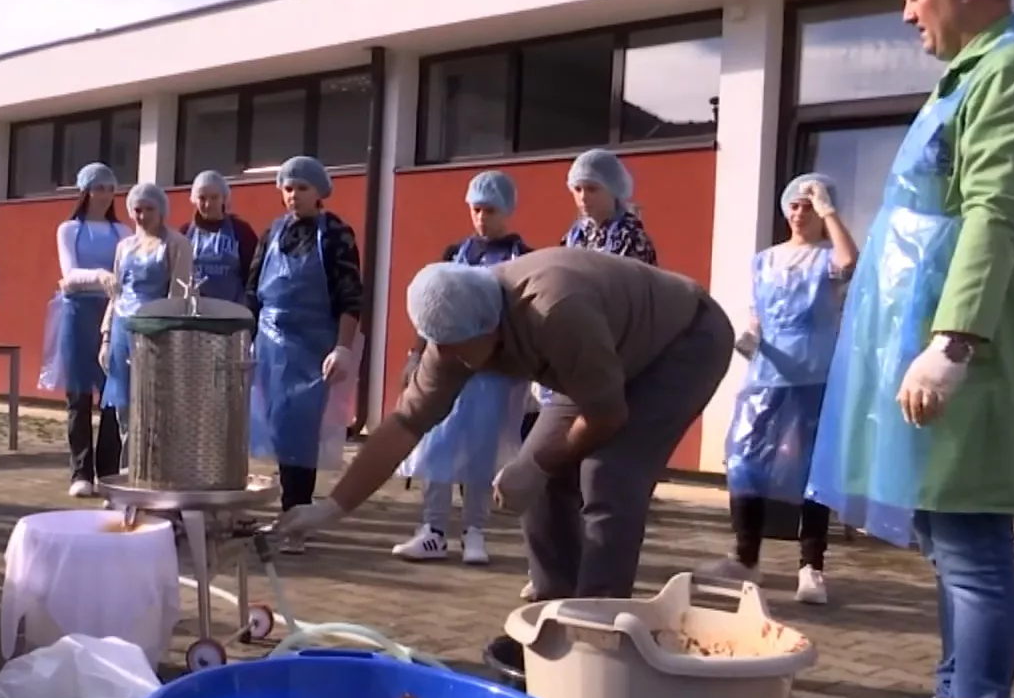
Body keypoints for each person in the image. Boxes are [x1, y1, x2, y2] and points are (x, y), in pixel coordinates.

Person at [808, 0, 1014, 698]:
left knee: (971, 543)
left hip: (967, 341)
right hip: (922, 329)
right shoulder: (967, 75)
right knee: (944, 537)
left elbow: (994, 210)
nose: (905, 13)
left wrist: (953, 341)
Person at [276, 247, 733, 601]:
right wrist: (331, 508)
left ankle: (600, 624)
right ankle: (554, 607)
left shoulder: (554, 312)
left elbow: (607, 416)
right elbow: (404, 424)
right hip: (600, 355)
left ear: (490, 325)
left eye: (457, 346)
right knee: (542, 476)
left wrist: (540, 464)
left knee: (606, 474)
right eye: (440, 346)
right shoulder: (453, 332)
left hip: (682, 341)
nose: (448, 358)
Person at [704, 174, 859, 606]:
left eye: (809, 206)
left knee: (812, 470)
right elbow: (759, 309)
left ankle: (811, 568)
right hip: (766, 374)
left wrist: (829, 211)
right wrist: (750, 334)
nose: (799, 213)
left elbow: (849, 261)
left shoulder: (827, 258)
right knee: (744, 460)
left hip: (814, 374)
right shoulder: (765, 260)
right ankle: (745, 557)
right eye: (795, 205)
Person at [516, 147, 659, 596]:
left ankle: (596, 587)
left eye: (591, 188)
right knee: (546, 469)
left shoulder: (632, 239)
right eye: (576, 188)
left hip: (614, 365)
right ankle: (552, 575)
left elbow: (629, 307)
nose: (582, 197)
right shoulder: (573, 236)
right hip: (568, 367)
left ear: (613, 190)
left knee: (598, 477)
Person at [393, 170, 533, 566]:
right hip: (448, 366)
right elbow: (432, 306)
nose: (481, 218)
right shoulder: (455, 253)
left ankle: (475, 530)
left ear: (507, 210)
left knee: (480, 450)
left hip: (492, 371)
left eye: (490, 210)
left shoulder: (522, 257)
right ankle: (433, 530)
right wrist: (416, 354)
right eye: (476, 210)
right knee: (438, 445)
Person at [247, 155, 365, 550]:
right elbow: (253, 291)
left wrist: (343, 347)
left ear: (319, 193)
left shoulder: (335, 235)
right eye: (288, 188)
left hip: (313, 347)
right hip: (270, 345)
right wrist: (246, 338)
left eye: (302, 188)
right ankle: (289, 512)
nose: (293, 195)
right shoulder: (272, 232)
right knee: (280, 429)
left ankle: (296, 518)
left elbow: (350, 295)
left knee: (301, 431)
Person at [40, 162, 129, 497]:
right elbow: (70, 273)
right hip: (77, 315)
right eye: (98, 188)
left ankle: (108, 471)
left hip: (113, 314)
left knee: (112, 394)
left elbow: (128, 272)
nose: (105, 195)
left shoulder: (123, 232)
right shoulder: (68, 230)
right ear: (85, 191)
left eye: (110, 188)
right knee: (78, 395)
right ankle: (81, 472)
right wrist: (100, 276)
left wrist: (106, 284)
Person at [101, 182, 195, 422]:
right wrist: (106, 338)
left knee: (154, 403)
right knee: (124, 405)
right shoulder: (124, 247)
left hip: (156, 331)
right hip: (123, 329)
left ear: (161, 209)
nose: (142, 216)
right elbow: (116, 293)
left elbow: (179, 295)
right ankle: (128, 447)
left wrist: (171, 338)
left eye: (149, 209)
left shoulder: (176, 244)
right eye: (138, 210)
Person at [182, 170, 258, 304]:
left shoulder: (241, 230)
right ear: (194, 200)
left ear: (224, 198)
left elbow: (254, 274)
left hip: (231, 310)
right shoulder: (185, 233)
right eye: (202, 198)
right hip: (195, 310)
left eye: (214, 197)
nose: (208, 204)